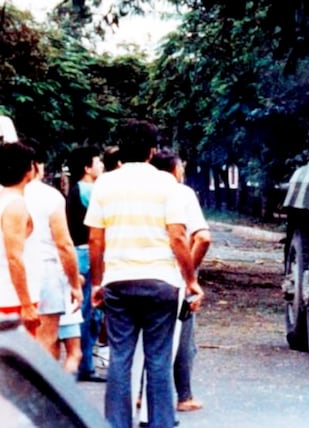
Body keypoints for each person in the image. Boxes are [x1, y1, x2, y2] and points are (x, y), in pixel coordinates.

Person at [85, 119, 204, 428]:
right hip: (161, 283)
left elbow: (96, 239)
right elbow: (178, 236)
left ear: (121, 150)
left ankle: (116, 423)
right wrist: (190, 281)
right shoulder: (168, 185)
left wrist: (97, 283)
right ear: (153, 151)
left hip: (118, 283)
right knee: (159, 360)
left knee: (120, 358)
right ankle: (161, 423)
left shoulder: (105, 184)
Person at [151, 149, 212, 413]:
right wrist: (191, 271)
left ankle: (143, 397)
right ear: (174, 170)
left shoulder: (139, 192)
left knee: (148, 340)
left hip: (139, 272)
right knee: (183, 339)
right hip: (175, 273)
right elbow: (202, 238)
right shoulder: (181, 193)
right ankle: (183, 396)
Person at [24, 143, 83, 364]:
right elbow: (65, 245)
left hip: (9, 273)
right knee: (47, 340)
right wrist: (74, 285)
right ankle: (39, 395)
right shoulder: (50, 196)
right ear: (36, 166)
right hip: (46, 272)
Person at [66, 145, 106, 382]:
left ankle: (85, 363)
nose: (100, 166)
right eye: (97, 162)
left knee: (87, 311)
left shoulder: (75, 189)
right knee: (89, 311)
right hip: (87, 255)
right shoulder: (89, 189)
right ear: (86, 168)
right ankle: (84, 365)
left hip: (78, 254)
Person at [0, 142, 41, 335]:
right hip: (11, 298)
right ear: (29, 170)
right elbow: (14, 257)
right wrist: (26, 304)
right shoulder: (15, 205)